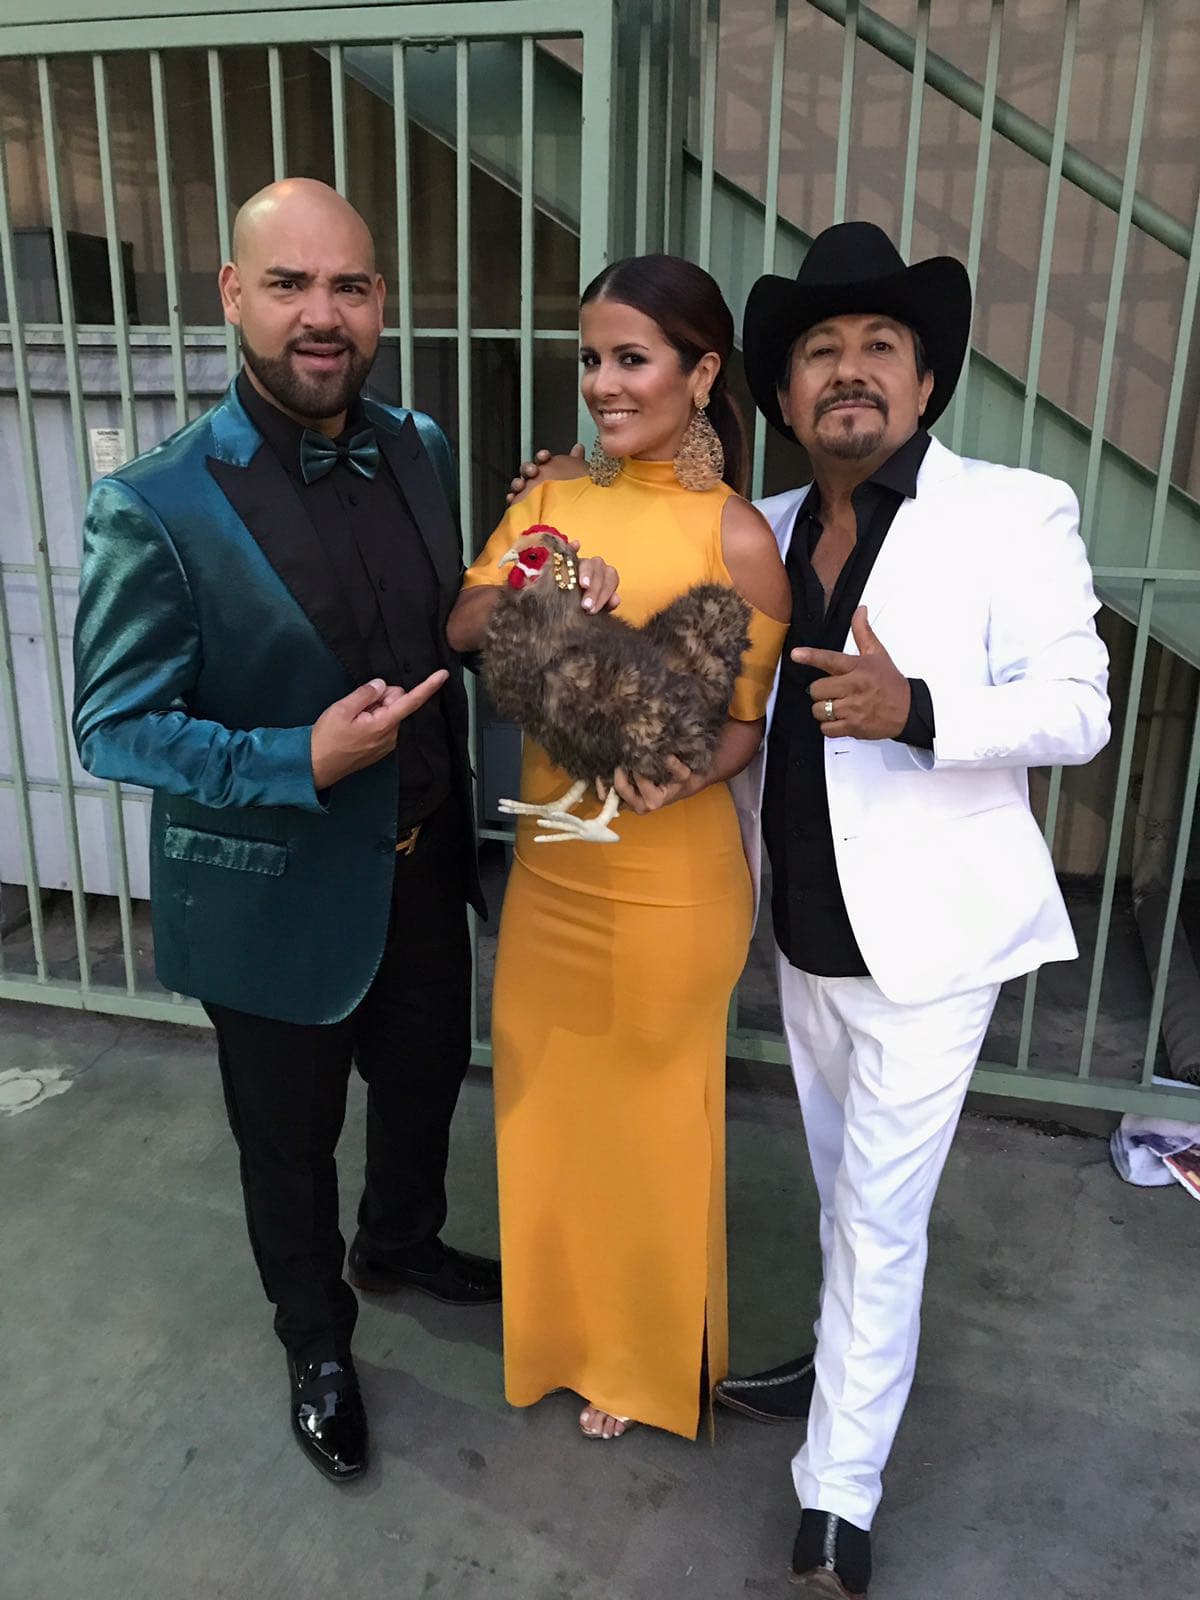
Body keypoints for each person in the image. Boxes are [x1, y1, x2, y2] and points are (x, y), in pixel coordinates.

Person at [509, 222, 1110, 1595]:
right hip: (797, 939)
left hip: (929, 952)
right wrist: (566, 498)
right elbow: (662, 563)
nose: (850, 372)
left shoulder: (1016, 514)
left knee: (880, 1216)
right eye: (822, 353)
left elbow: (1081, 707)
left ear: (925, 382)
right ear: (778, 397)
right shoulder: (762, 529)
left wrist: (923, 711)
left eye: (879, 349)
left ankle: (836, 1500)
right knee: (843, 1192)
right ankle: (836, 1361)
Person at [72, 178, 499, 1487]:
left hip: (423, 868)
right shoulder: (156, 505)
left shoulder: (419, 442)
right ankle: (316, 1338)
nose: (324, 314)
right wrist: (292, 758)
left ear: (379, 301)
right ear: (233, 296)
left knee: (427, 1081)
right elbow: (112, 727)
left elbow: (454, 623)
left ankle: (403, 1237)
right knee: (285, 1143)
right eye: (291, 284)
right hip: (270, 898)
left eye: (350, 286)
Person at [448, 254, 789, 1442]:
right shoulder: (549, 501)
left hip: (667, 887)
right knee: (547, 1109)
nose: (602, 383)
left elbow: (743, 727)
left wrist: (671, 768)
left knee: (651, 1127)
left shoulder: (736, 538)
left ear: (701, 374)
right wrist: (548, 601)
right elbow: (463, 621)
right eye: (590, 358)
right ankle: (562, 1338)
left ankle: (644, 1363)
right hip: (550, 877)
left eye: (631, 358)